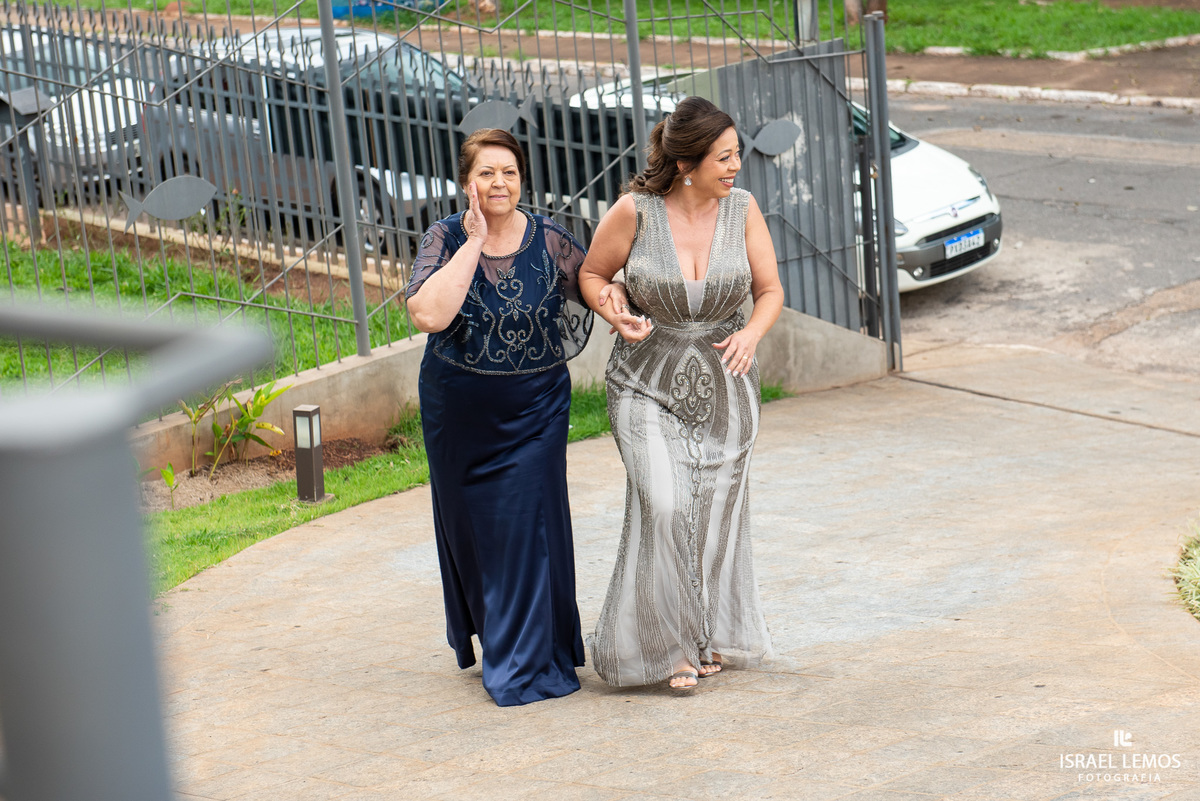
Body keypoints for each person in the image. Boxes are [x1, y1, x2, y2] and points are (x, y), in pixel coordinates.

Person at [405, 128, 620, 706]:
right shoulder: (444, 236)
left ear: (522, 179)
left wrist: (631, 313)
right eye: (486, 173)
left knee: (527, 527)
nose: (499, 183)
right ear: (466, 182)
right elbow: (427, 312)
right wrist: (473, 242)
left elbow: (592, 286)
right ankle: (501, 633)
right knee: (473, 533)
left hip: (535, 409)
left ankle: (528, 660)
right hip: (459, 414)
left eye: (509, 172)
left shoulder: (550, 237)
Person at [579, 96, 784, 691]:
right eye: (723, 157)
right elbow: (592, 275)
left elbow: (769, 290)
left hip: (728, 391)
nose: (736, 166)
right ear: (688, 162)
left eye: (737, 154)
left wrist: (750, 331)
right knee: (666, 506)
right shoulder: (633, 212)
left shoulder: (742, 209)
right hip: (645, 385)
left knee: (715, 519)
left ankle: (704, 636)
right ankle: (662, 648)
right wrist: (612, 309)